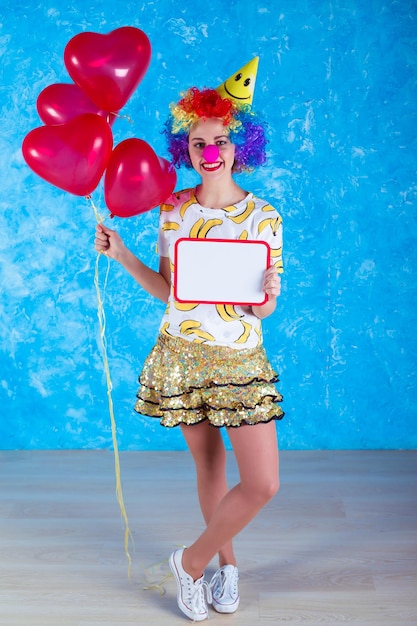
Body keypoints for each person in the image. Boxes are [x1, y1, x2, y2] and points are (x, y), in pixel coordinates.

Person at [95, 84, 284, 622]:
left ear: (237, 146)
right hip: (182, 352)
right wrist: (123, 254)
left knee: (263, 482)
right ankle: (225, 567)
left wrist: (268, 297)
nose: (210, 152)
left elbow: (264, 309)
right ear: (187, 151)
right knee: (209, 467)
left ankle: (190, 561)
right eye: (198, 143)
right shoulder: (173, 209)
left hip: (241, 359)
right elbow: (168, 288)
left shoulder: (264, 217)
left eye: (220, 140)